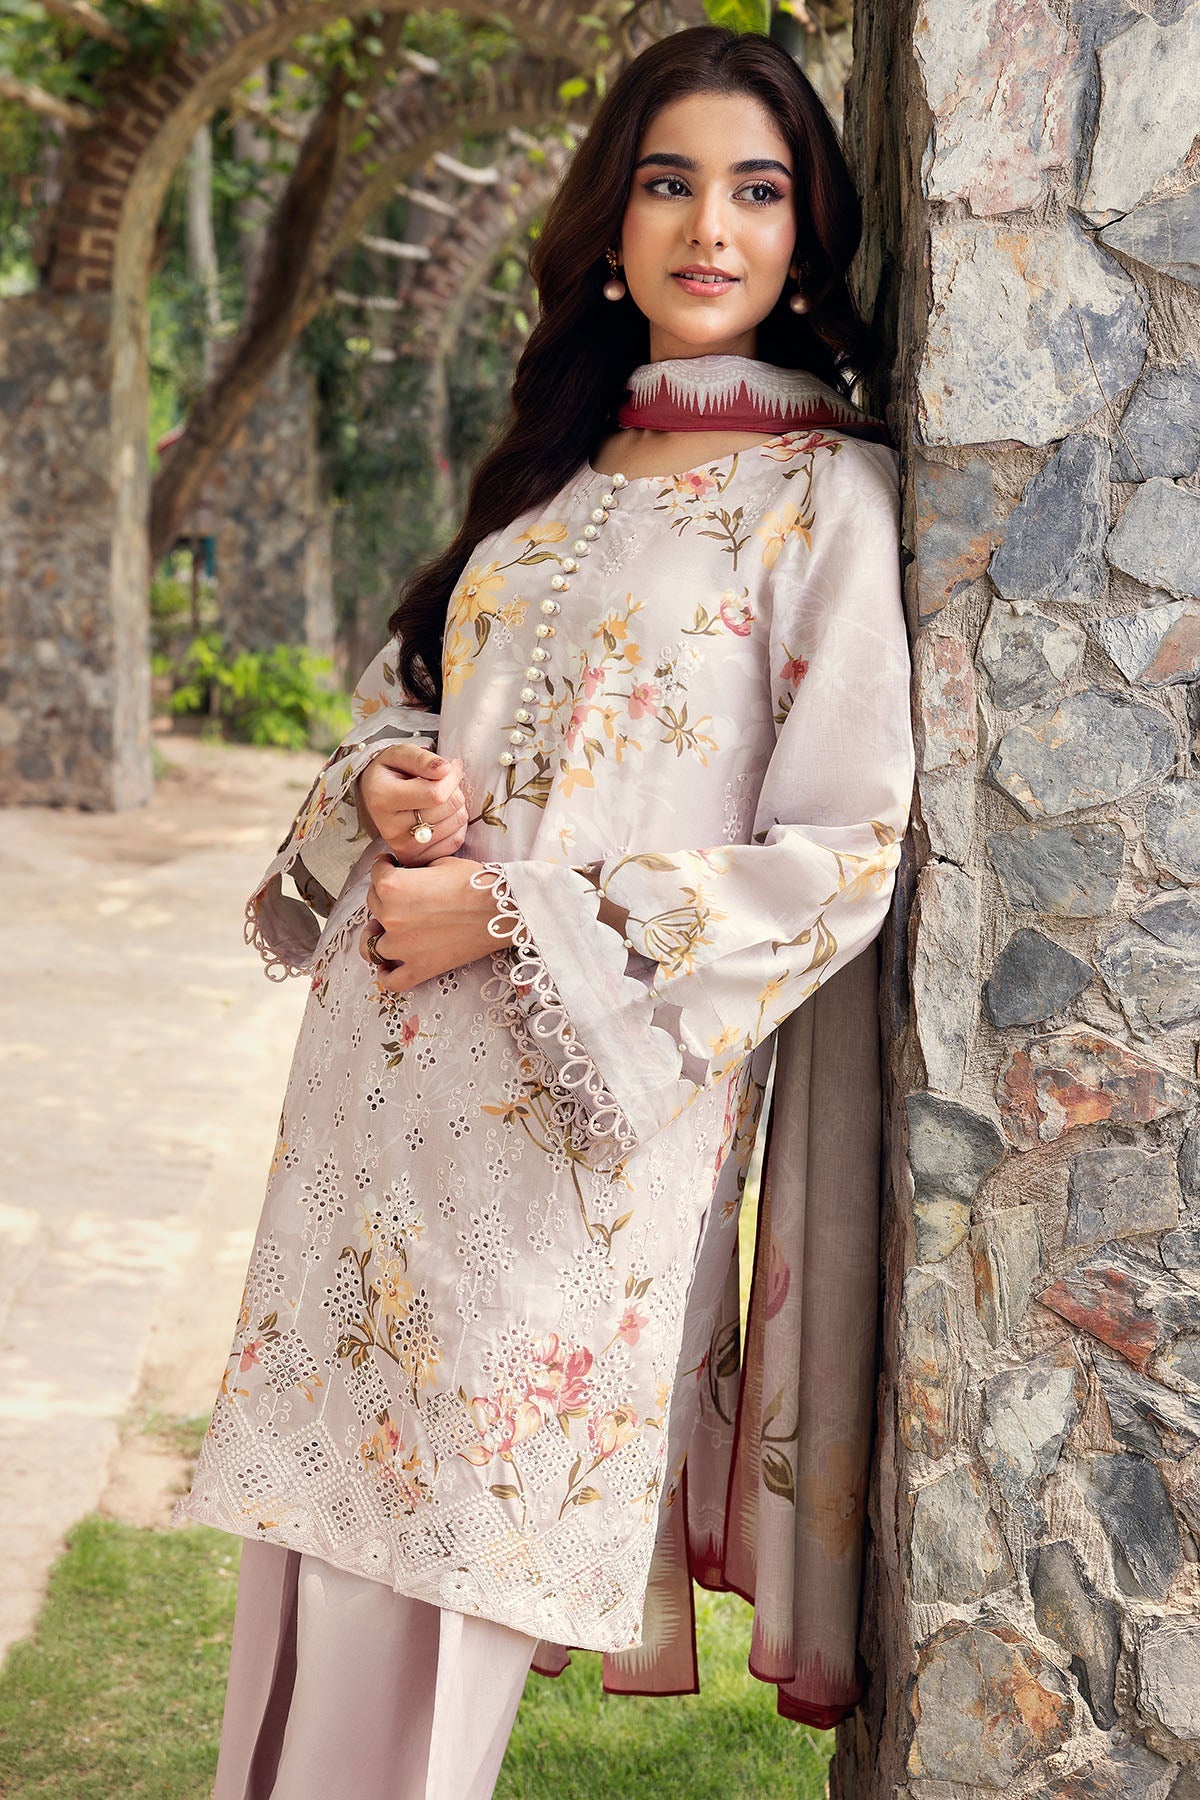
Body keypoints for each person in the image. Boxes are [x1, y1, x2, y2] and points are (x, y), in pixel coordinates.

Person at [177, 24, 915, 1800]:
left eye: (758, 190)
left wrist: (516, 917)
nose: (711, 227)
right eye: (671, 183)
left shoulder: (822, 497)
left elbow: (842, 848)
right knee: (315, 1568)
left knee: (447, 1587)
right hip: (377, 1109)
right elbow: (411, 698)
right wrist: (381, 783)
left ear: (807, 232)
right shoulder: (554, 473)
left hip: (573, 1139)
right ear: (610, 223)